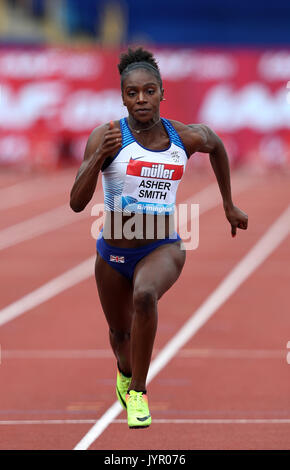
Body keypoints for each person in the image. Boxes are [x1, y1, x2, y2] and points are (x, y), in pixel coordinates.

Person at [70, 47, 248, 429]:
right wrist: (95, 159)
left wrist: (229, 204)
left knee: (145, 295)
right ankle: (124, 370)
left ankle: (138, 391)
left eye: (149, 91)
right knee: (120, 335)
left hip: (162, 244)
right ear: (122, 97)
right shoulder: (107, 136)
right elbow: (75, 202)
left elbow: (215, 144)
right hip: (113, 248)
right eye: (132, 93)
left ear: (162, 93)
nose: (141, 100)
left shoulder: (183, 136)